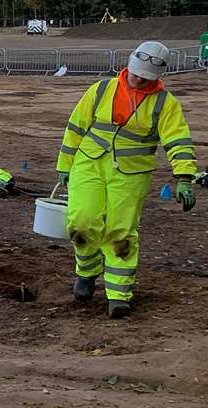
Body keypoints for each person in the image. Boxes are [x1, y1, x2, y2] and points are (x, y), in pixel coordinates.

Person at [56, 39, 197, 319]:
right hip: (89, 164)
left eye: (145, 77)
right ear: (129, 65)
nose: (138, 80)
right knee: (81, 220)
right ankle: (87, 273)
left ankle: (119, 296)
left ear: (157, 76)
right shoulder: (101, 90)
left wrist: (184, 176)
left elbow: (178, 140)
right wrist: (65, 164)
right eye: (135, 74)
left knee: (120, 232)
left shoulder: (164, 104)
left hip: (132, 173)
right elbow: (75, 127)